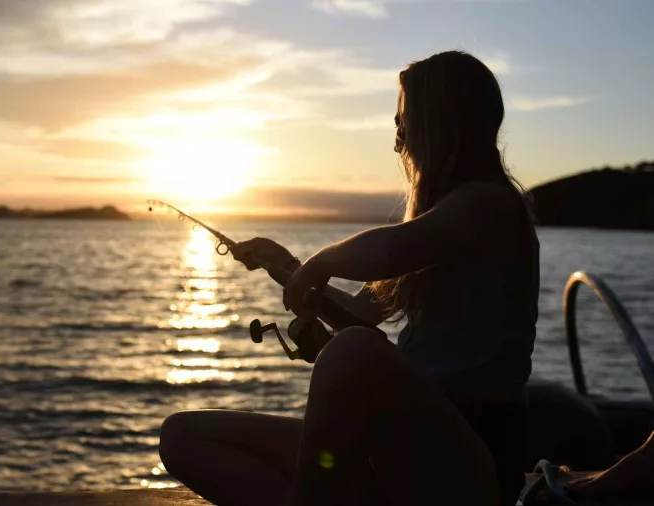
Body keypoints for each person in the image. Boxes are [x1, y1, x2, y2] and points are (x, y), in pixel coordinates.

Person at [159, 50, 539, 506]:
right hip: (400, 451)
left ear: (443, 121)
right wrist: (289, 269)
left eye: (406, 117)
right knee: (182, 436)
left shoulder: (488, 205)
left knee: (354, 352)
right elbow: (360, 313)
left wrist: (321, 264)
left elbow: (391, 252)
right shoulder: (447, 220)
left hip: (471, 465)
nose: (397, 132)